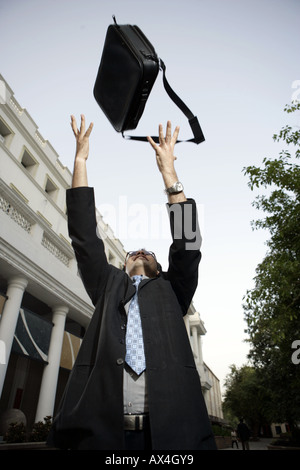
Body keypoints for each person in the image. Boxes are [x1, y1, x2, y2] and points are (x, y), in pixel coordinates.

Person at [47, 115, 216, 451]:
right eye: (133, 252)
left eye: (148, 252)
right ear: (122, 265)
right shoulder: (107, 285)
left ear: (160, 267)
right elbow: (84, 236)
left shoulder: (173, 291)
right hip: (102, 438)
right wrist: (80, 160)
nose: (140, 251)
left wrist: (169, 173)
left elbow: (188, 245)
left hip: (168, 439)